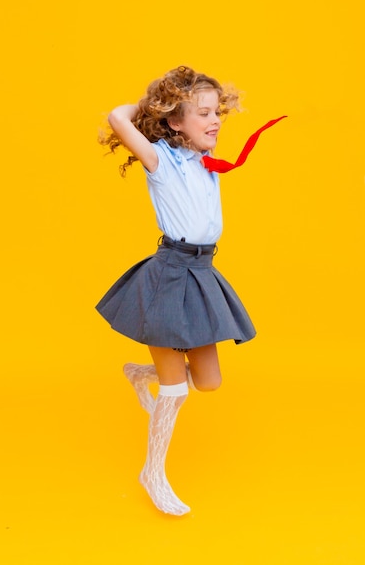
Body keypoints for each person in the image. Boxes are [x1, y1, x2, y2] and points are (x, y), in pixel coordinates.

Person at [96, 65, 265, 516]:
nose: (215, 121)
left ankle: (140, 372)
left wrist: (190, 114)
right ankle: (152, 473)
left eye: (217, 113)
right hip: (168, 277)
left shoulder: (205, 163)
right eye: (203, 113)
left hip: (202, 272)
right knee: (177, 390)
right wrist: (156, 105)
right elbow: (117, 117)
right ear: (175, 121)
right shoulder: (160, 159)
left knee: (207, 382)